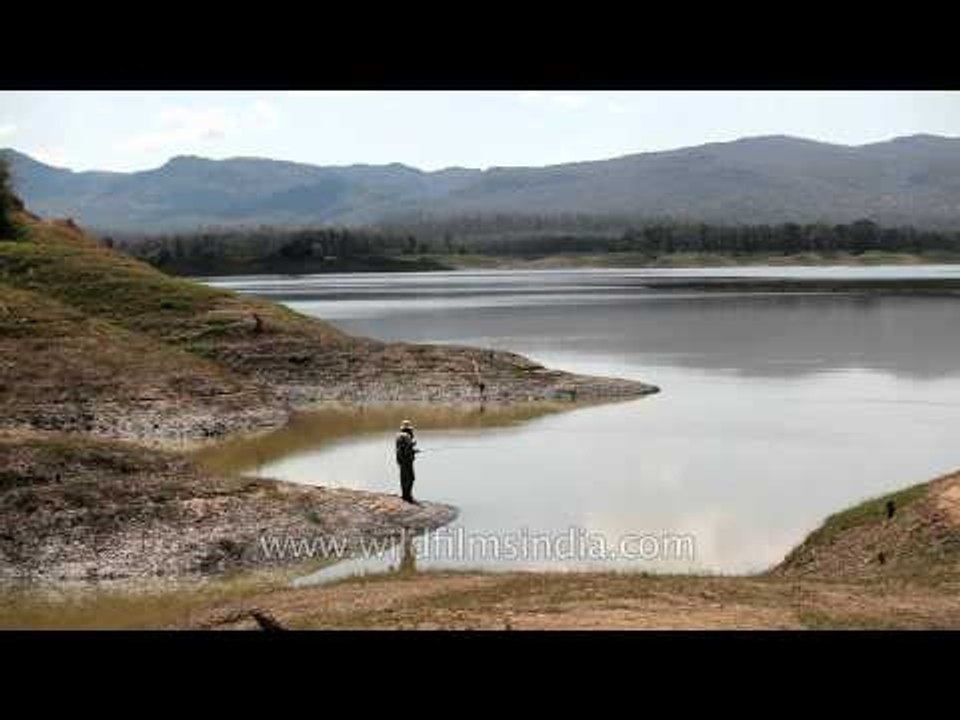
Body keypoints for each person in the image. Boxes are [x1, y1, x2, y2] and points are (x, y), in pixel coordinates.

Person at [395, 419, 420, 503]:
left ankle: (404, 495)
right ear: (409, 429)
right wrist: (414, 449)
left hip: (400, 459)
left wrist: (412, 448)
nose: (412, 431)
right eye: (410, 429)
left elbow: (401, 448)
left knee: (403, 478)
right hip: (407, 460)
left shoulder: (398, 435)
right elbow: (407, 450)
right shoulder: (407, 436)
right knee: (411, 478)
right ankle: (408, 496)